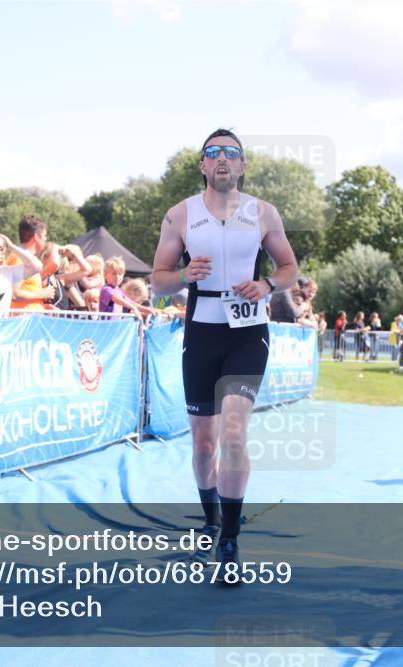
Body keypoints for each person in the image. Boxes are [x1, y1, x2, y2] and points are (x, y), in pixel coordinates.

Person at [150, 128, 298, 576]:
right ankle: (211, 518)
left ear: (242, 165)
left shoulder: (263, 213)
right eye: (213, 152)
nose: (222, 159)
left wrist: (269, 285)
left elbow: (289, 267)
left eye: (231, 153)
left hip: (247, 334)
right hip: (202, 331)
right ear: (202, 164)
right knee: (203, 444)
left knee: (234, 434)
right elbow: (158, 280)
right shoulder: (179, 215)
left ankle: (230, 538)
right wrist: (184, 276)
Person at [8, 214, 57, 311]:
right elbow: (14, 293)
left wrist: (45, 307)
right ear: (36, 237)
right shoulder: (19, 258)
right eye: (44, 235)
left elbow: (28, 291)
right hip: (22, 321)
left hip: (29, 319)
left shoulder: (25, 258)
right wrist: (42, 294)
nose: (46, 239)